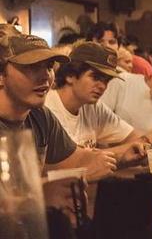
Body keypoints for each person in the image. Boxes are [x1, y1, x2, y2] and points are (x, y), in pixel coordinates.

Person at [0, 26, 118, 182]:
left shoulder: (40, 115)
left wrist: (115, 157)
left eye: (49, 66)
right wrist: (77, 177)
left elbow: (75, 159)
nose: (46, 76)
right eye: (32, 66)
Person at [47, 41, 152, 152]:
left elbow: (132, 138)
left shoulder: (93, 107)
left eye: (106, 80)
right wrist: (149, 138)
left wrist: (143, 142)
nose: (103, 86)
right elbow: (79, 161)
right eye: (95, 77)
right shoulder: (48, 110)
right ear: (70, 75)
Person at [87, 22, 152, 76]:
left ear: (119, 46)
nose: (106, 46)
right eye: (100, 41)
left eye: (112, 42)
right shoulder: (80, 69)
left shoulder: (129, 73)